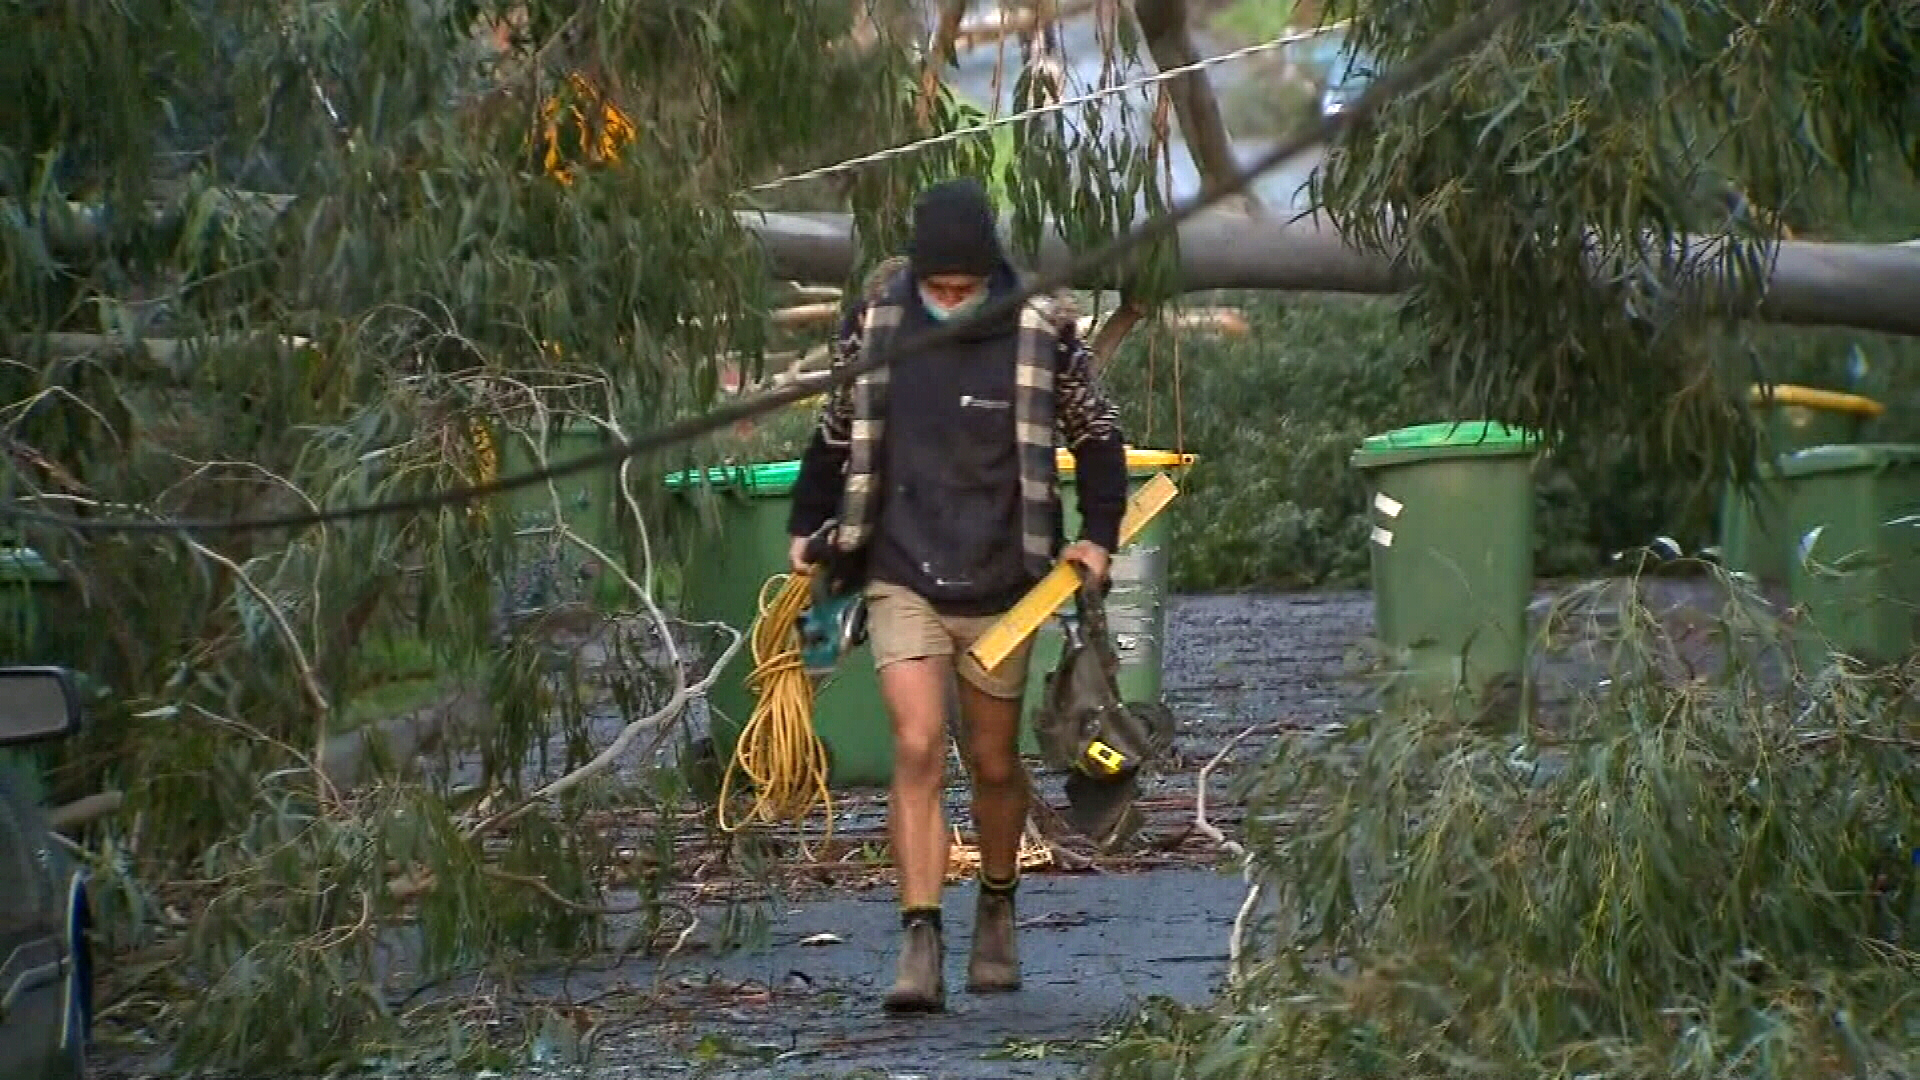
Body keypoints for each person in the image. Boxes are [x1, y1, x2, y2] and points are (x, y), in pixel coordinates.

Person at [785, 177, 1130, 1013]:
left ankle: (998, 912)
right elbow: (838, 428)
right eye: (935, 287)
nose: (948, 299)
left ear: (988, 276)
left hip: (1004, 579)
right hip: (899, 566)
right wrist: (808, 525)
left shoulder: (1043, 332)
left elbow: (1099, 435)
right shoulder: (877, 324)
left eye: (962, 288)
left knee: (991, 760)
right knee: (914, 742)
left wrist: (1100, 533)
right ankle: (919, 937)